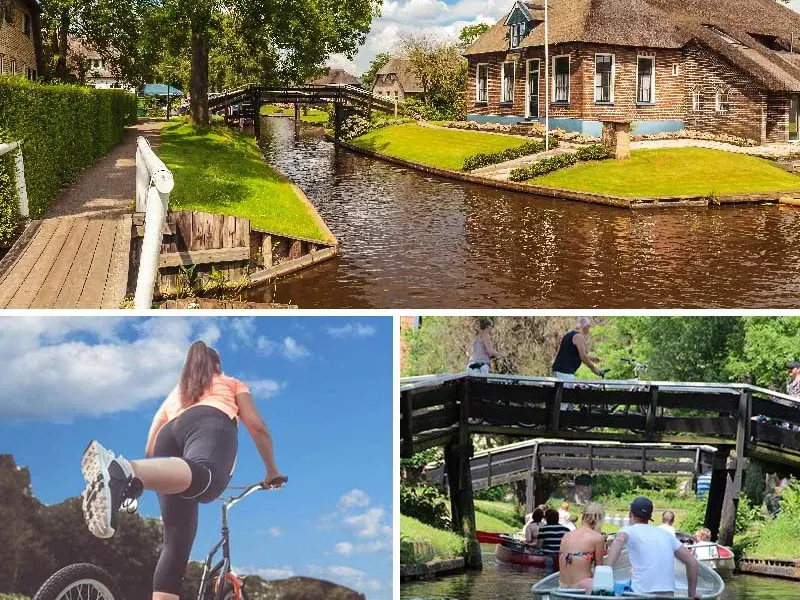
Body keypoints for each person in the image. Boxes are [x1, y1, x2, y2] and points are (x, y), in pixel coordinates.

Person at [80, 341, 287, 600]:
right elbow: (257, 427)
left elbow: (154, 436)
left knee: (176, 544)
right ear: (218, 365)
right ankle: (121, 470)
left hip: (168, 438)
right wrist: (271, 471)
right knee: (208, 480)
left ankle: (123, 473)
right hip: (209, 423)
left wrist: (148, 474)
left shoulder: (178, 392)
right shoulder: (231, 383)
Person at [606, 497, 700, 599]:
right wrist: (692, 593)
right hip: (668, 595)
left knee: (596, 585)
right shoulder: (665, 534)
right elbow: (692, 562)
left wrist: (606, 570)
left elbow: (619, 540)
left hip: (642, 594)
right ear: (649, 517)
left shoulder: (629, 530)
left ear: (630, 514)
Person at [552, 318, 603, 410]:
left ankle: (565, 421)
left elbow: (574, 353)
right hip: (565, 371)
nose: (589, 329)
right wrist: (593, 368)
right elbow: (582, 357)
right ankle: (558, 422)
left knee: (565, 399)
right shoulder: (579, 336)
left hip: (561, 369)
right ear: (585, 327)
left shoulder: (569, 335)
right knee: (564, 399)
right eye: (589, 327)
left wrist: (592, 359)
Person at [558, 502, 606, 592]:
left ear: (583, 516)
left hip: (562, 586)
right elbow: (600, 569)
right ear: (598, 519)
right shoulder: (597, 538)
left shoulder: (566, 536)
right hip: (581, 588)